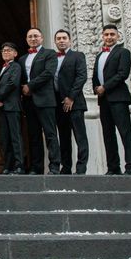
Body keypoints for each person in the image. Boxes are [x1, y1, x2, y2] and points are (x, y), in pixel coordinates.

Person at [92, 24, 131, 175]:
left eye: (112, 34)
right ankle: (113, 167)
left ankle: (130, 166)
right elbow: (95, 77)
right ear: (102, 36)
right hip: (103, 100)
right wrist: (96, 88)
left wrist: (105, 87)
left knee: (125, 132)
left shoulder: (123, 52)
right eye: (106, 34)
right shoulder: (99, 56)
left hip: (118, 98)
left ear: (117, 36)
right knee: (108, 134)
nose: (109, 37)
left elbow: (123, 73)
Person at [18, 28, 60, 174]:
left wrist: (30, 86)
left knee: (50, 134)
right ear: (27, 39)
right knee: (34, 136)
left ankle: (54, 166)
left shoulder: (49, 54)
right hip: (29, 102)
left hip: (45, 100)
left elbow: (48, 73)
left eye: (36, 36)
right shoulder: (23, 59)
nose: (33, 38)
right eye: (30, 36)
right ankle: (37, 168)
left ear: (42, 38)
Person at [53, 29, 89, 175]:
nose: (61, 40)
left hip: (75, 103)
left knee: (80, 137)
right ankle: (66, 167)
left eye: (64, 38)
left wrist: (71, 97)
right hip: (58, 104)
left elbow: (81, 77)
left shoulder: (77, 56)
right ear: (55, 41)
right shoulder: (52, 58)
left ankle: (81, 168)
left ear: (70, 40)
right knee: (64, 137)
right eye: (58, 38)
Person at [0, 42, 24, 174]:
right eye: (4, 51)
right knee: (5, 137)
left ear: (15, 53)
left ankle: (19, 165)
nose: (6, 52)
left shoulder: (16, 66)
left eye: (9, 50)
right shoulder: (3, 68)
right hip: (4, 108)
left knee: (15, 137)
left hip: (12, 106)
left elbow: (12, 83)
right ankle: (8, 165)